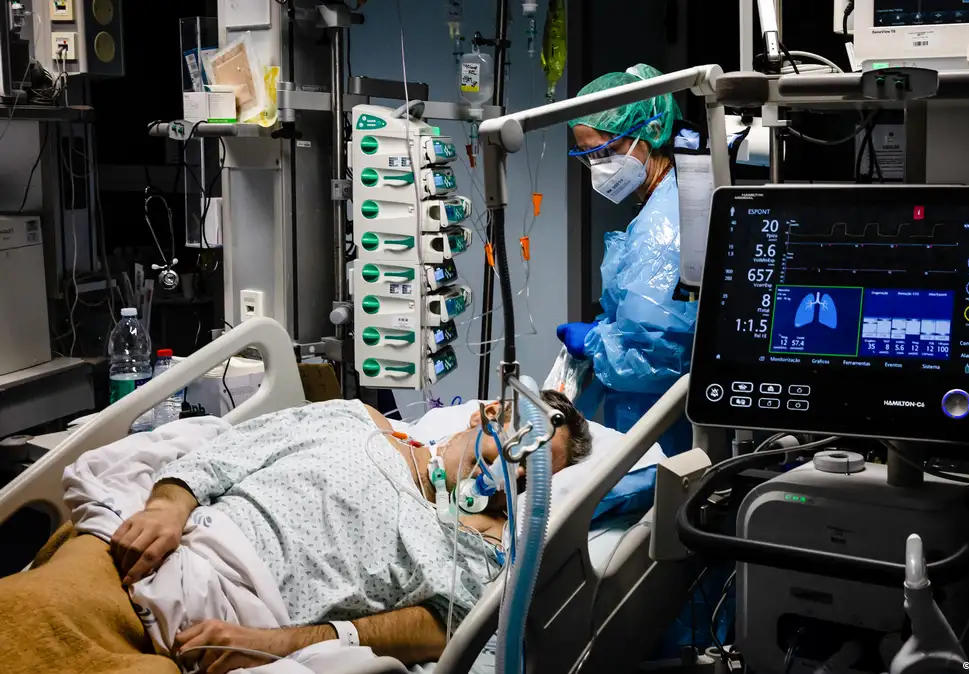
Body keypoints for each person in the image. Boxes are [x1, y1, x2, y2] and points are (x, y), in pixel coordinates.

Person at [0, 392, 591, 674]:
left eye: (534, 475)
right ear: (487, 415)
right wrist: (166, 507)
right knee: (32, 617)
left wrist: (276, 644)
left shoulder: (479, 552)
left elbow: (432, 631)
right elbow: (231, 452)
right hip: (153, 553)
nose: (515, 476)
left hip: (221, 635)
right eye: (522, 453)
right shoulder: (359, 422)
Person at [556, 63, 698, 456]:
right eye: (589, 156)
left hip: (661, 429)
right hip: (649, 419)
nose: (600, 166)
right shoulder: (662, 203)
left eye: (608, 151)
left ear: (650, 132)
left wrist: (595, 344)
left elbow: (656, 354)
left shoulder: (664, 224)